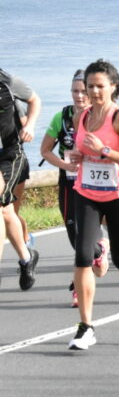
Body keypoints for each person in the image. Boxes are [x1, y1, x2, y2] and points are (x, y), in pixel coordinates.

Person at [65, 60, 119, 350]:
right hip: (86, 191)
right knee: (82, 256)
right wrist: (77, 156)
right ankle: (85, 327)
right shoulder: (82, 116)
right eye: (90, 86)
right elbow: (81, 150)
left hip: (118, 195)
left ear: (113, 87)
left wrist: (106, 151)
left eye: (101, 85)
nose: (95, 91)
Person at [40, 69, 90, 306]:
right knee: (73, 231)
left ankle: (78, 285)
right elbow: (45, 150)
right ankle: (94, 254)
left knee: (85, 236)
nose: (79, 96)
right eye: (75, 91)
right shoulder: (61, 117)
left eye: (83, 91)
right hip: (69, 182)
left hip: (94, 184)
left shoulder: (101, 117)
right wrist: (63, 164)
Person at [0, 67, 41, 291]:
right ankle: (26, 258)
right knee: (6, 211)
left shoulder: (6, 81)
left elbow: (34, 99)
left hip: (9, 154)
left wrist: (30, 125)